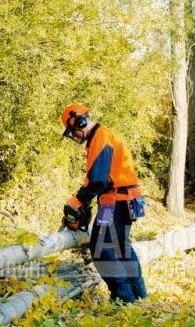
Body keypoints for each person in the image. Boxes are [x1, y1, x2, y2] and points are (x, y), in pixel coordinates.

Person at [60, 103, 147, 303]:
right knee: (121, 246)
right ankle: (139, 294)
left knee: (101, 248)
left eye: (73, 131)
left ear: (80, 123)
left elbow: (98, 180)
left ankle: (124, 298)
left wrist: (78, 200)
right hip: (125, 199)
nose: (74, 136)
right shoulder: (103, 136)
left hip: (114, 201)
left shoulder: (101, 138)